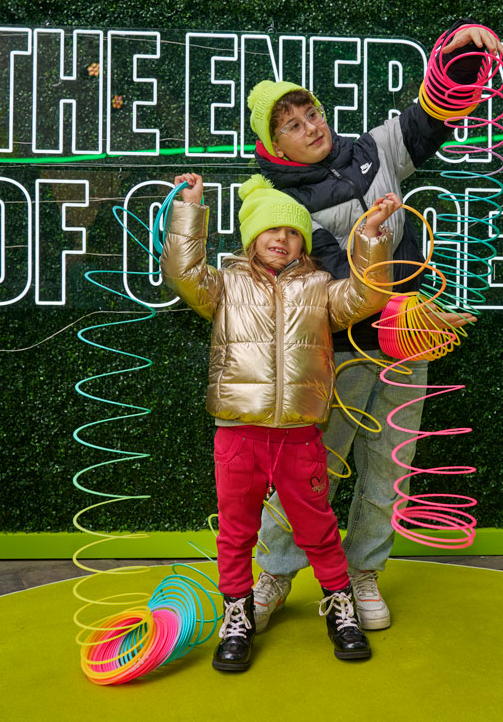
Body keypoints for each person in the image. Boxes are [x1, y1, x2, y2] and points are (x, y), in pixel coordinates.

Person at [247, 22, 503, 632]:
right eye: (293, 124)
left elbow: (429, 116)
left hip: (405, 345)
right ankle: (274, 575)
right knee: (313, 472)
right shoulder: (270, 197)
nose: (312, 126)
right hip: (334, 354)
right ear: (274, 142)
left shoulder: (372, 150)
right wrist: (383, 290)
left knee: (391, 466)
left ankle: (363, 572)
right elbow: (312, 275)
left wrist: (459, 53)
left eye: (310, 111)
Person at [160, 170, 402, 672]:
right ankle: (237, 612)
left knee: (317, 527)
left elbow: (367, 297)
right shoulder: (223, 284)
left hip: (298, 438)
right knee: (236, 531)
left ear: (303, 243)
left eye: (293, 232)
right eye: (273, 230)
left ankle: (340, 606)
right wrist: (190, 209)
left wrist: (372, 236)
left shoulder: (319, 287)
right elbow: (183, 274)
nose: (283, 239)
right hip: (238, 436)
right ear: (252, 235)